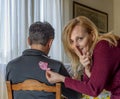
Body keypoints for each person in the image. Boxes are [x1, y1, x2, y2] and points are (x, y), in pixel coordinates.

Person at [46, 16, 120, 99]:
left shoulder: (103, 47)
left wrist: (61, 78)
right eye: (71, 41)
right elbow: (88, 85)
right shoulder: (93, 52)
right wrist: (87, 68)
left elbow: (93, 89)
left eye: (80, 39)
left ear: (92, 35)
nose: (75, 45)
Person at [6, 21, 81, 99]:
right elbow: (76, 96)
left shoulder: (10, 66)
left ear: (28, 40)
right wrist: (74, 83)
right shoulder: (56, 67)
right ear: (50, 43)